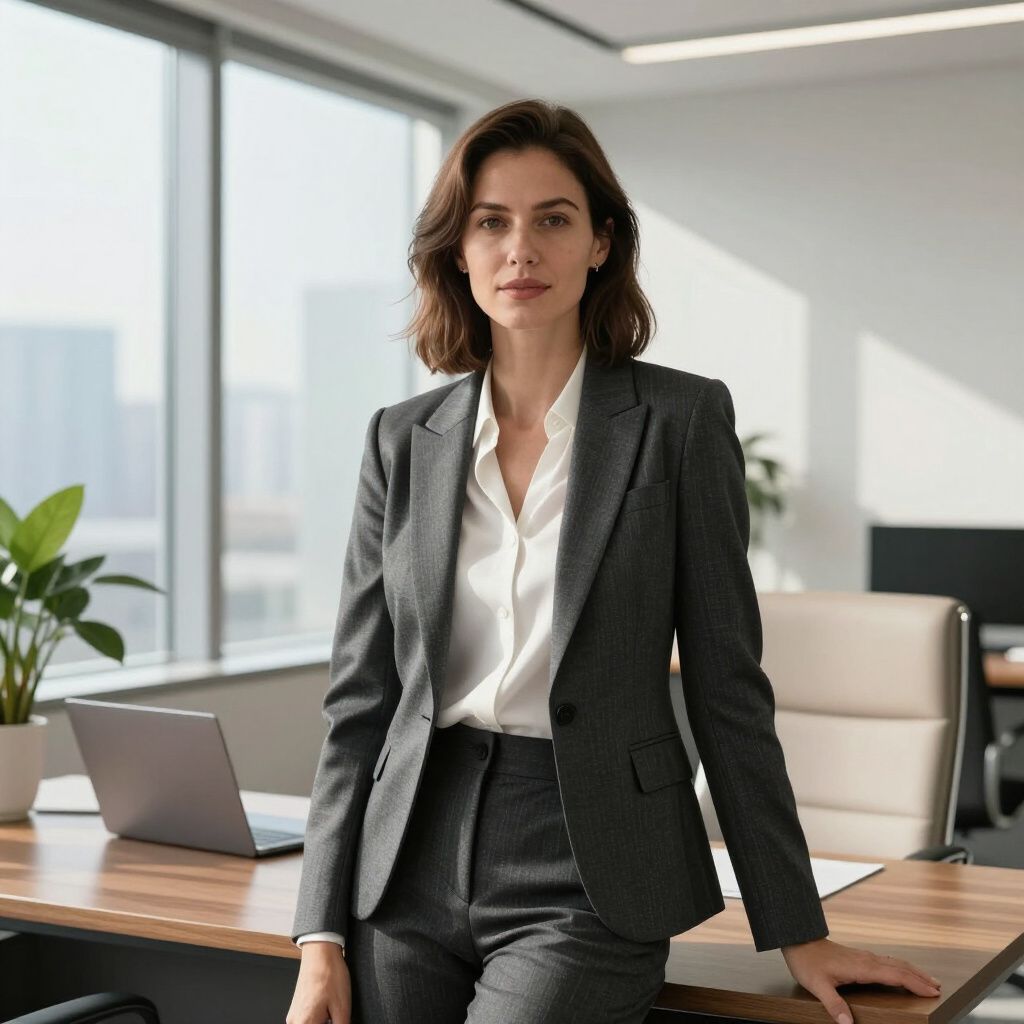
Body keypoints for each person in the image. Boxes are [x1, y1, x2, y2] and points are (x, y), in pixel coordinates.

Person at [286, 98, 943, 1024]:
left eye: (553, 219)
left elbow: (726, 687)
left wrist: (795, 925)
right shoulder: (403, 441)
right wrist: (318, 936)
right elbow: (361, 705)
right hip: (405, 867)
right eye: (492, 222)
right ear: (457, 252)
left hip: (588, 863)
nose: (522, 249)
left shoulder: (679, 422)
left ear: (600, 243)